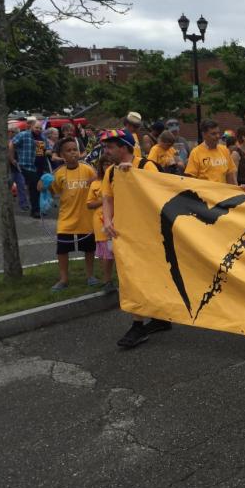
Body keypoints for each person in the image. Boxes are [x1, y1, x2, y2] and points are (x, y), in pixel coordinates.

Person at [100, 128, 171, 348]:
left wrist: (133, 177)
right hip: (125, 234)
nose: (106, 151)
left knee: (152, 276)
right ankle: (138, 324)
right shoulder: (111, 172)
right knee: (131, 277)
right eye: (106, 147)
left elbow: (159, 194)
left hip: (149, 235)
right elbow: (107, 198)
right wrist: (107, 220)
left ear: (124, 147)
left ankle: (159, 318)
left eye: (110, 147)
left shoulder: (146, 166)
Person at [39, 137, 98, 292]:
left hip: (86, 216)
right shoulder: (59, 173)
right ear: (61, 155)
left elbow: (98, 185)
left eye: (75, 150)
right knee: (62, 249)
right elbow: (52, 191)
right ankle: (64, 279)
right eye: (69, 150)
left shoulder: (88, 170)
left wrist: (97, 179)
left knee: (89, 248)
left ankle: (90, 275)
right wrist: (43, 186)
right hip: (66, 217)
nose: (73, 153)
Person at [86, 154, 116, 293]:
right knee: (106, 252)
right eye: (105, 164)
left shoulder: (118, 181)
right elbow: (89, 204)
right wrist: (104, 199)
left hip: (119, 219)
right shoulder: (95, 184)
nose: (107, 166)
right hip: (101, 221)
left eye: (110, 163)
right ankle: (107, 280)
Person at [9, 117, 45, 218]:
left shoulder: (42, 137)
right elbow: (12, 144)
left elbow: (47, 148)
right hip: (27, 166)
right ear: (31, 127)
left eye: (40, 128)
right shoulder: (24, 134)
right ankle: (35, 210)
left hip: (39, 166)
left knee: (38, 187)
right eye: (36, 127)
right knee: (34, 187)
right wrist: (12, 158)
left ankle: (37, 209)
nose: (38, 130)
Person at [184, 120, 237, 184]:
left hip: (223, 190)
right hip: (205, 190)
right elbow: (191, 179)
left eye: (218, 133)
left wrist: (235, 189)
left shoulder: (224, 150)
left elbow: (230, 174)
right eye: (213, 134)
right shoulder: (195, 153)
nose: (217, 136)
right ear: (204, 134)